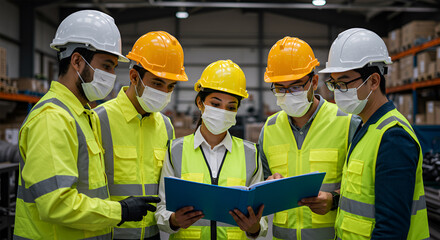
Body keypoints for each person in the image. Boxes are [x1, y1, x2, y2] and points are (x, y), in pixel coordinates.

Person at [13, 10, 159, 240]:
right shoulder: (53, 119)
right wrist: (121, 210)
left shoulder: (82, 115)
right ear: (78, 61)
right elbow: (55, 203)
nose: (111, 76)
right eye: (107, 66)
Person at [319, 28, 429, 239]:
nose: (337, 91)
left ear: (373, 81)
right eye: (334, 83)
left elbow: (391, 228)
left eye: (343, 83)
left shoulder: (393, 138)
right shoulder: (367, 127)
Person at [258, 36, 361, 239]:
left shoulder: (347, 122)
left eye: (296, 86)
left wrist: (334, 200)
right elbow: (260, 185)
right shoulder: (269, 128)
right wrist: (267, 186)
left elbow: (363, 187)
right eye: (280, 88)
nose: (288, 94)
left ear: (314, 81)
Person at [155, 60, 268, 239]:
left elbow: (261, 223)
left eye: (231, 107)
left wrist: (253, 227)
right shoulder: (175, 150)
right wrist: (174, 220)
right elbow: (161, 209)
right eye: (215, 104)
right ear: (200, 103)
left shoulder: (251, 154)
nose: (223, 111)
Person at [94, 31, 187, 239]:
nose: (164, 92)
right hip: (111, 233)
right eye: (157, 83)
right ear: (134, 77)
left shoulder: (165, 125)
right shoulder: (99, 120)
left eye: (170, 86)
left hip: (152, 234)